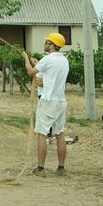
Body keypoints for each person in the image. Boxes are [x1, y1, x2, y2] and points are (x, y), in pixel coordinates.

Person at [23, 33, 70, 177]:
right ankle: (61, 168)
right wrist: (38, 64)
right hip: (60, 101)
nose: (45, 44)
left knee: (42, 134)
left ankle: (41, 169)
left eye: (47, 42)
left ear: (52, 44)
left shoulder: (47, 59)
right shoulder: (64, 60)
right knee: (60, 134)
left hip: (48, 101)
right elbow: (47, 72)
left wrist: (26, 59)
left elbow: (31, 72)